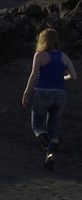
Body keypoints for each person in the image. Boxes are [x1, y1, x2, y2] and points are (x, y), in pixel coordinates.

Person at [21, 28, 76, 171]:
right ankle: (51, 159)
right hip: (60, 94)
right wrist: (61, 77)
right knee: (53, 127)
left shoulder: (39, 55)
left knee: (37, 126)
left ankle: (49, 151)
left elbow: (33, 76)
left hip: (43, 92)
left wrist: (26, 93)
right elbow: (73, 76)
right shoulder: (64, 56)